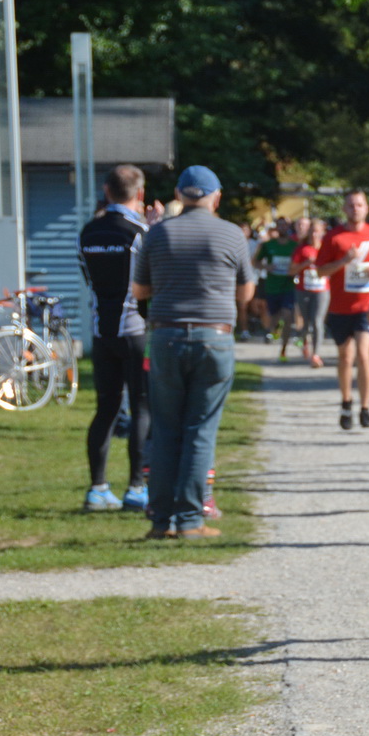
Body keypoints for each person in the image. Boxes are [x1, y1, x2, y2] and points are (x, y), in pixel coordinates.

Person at [130, 165, 256, 539]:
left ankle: (160, 521)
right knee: (200, 430)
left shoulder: (157, 233)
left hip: (166, 335)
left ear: (178, 195)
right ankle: (189, 520)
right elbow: (246, 293)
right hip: (214, 337)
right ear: (216, 197)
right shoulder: (232, 234)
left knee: (165, 429)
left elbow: (139, 291)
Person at [78, 163, 152, 512]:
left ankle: (97, 488)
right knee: (141, 407)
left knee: (106, 409)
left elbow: (87, 277)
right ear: (140, 193)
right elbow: (150, 282)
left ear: (106, 191)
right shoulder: (140, 231)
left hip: (101, 331)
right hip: (135, 331)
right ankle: (136, 487)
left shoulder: (88, 231)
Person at [317, 190, 369, 429]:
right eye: (350, 205)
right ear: (344, 209)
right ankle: (346, 402)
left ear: (366, 208)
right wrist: (344, 261)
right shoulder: (334, 237)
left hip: (366, 306)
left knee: (364, 355)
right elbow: (320, 271)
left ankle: (365, 407)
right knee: (345, 357)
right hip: (339, 307)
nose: (355, 209)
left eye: (359, 205)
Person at [254, 220, 300, 360]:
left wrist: (294, 270)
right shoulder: (268, 245)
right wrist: (266, 267)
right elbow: (255, 262)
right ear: (276, 228)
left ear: (289, 227)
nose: (283, 228)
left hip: (289, 286)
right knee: (274, 317)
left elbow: (299, 263)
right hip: (272, 286)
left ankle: (283, 349)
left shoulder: (295, 245)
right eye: (280, 225)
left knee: (287, 315)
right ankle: (273, 329)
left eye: (285, 225)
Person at [292, 217, 330, 368]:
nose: (314, 235)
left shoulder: (326, 249)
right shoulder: (302, 249)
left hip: (322, 290)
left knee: (317, 321)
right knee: (306, 322)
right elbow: (291, 270)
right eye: (312, 232)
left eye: (317, 232)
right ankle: (305, 342)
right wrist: (306, 263)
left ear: (322, 233)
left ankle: (316, 354)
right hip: (303, 290)